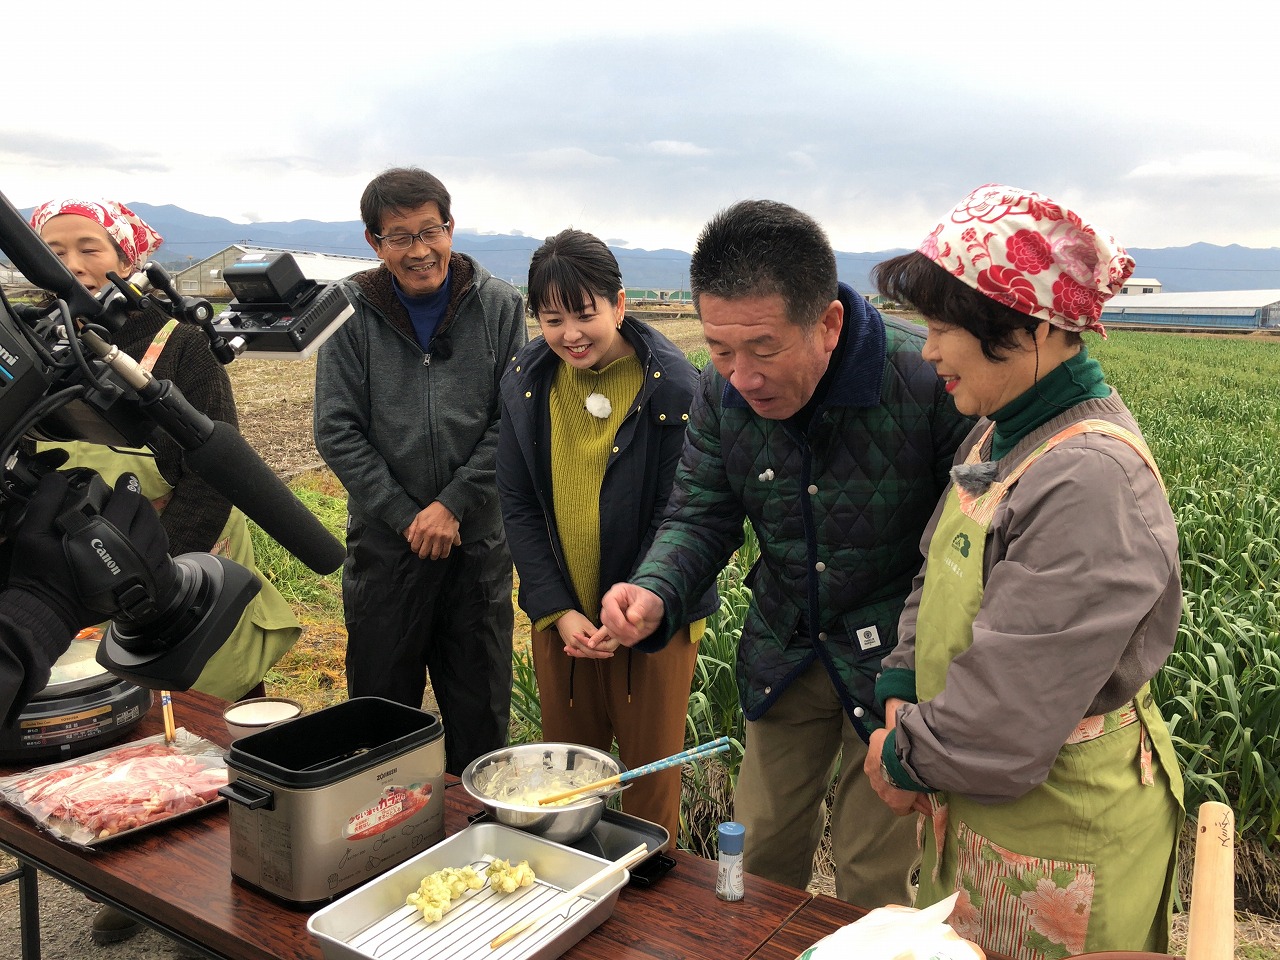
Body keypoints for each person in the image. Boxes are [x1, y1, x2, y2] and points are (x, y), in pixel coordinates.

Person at [593, 200, 973, 907]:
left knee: (871, 869)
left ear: (828, 324)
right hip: (787, 644)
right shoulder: (720, 392)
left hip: (896, 663)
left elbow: (961, 547)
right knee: (761, 850)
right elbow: (700, 512)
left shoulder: (924, 382)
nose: (742, 375)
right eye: (720, 348)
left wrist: (917, 671)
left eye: (764, 349)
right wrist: (653, 590)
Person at [863, 183, 1184, 957]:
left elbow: (1011, 703)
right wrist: (901, 690)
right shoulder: (999, 435)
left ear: (1034, 326)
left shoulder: (1088, 477)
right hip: (983, 806)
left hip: (1062, 827)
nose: (928, 349)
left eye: (945, 329)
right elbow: (931, 575)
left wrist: (903, 755)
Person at [29, 198, 302, 946]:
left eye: (89, 247)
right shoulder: (41, 340)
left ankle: (241, 877)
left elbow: (216, 474)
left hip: (191, 558)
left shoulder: (177, 342)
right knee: (129, 736)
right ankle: (137, 882)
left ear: (125, 256)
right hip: (94, 557)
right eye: (53, 249)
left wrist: (151, 581)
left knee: (215, 725)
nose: (72, 265)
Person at [496, 229, 717, 841]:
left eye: (585, 314)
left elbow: (681, 513)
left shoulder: (673, 387)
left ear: (619, 304)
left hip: (653, 619)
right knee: (566, 775)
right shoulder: (525, 382)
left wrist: (637, 606)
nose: (570, 334)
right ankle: (573, 898)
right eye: (552, 317)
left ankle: (650, 912)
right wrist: (559, 610)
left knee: (650, 782)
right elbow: (518, 503)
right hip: (562, 620)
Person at [313, 167, 527, 776]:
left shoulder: (500, 307)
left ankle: (485, 853)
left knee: (481, 725)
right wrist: (410, 516)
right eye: (399, 236)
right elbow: (336, 428)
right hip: (387, 548)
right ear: (374, 243)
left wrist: (453, 504)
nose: (419, 250)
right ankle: (382, 851)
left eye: (430, 231)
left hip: (477, 546)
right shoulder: (348, 312)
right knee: (379, 725)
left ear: (451, 229)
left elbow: (511, 421)